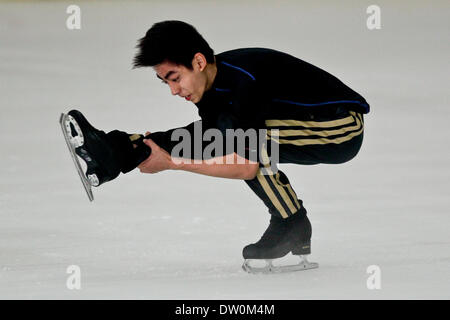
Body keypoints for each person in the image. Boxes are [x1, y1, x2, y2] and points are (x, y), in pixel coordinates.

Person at [63, 20, 369, 273]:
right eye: (165, 83)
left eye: (175, 78)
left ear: (198, 61)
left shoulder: (243, 81)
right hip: (302, 121)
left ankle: (291, 222)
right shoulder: (213, 89)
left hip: (339, 128)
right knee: (205, 138)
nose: (173, 91)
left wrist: (171, 163)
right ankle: (112, 152)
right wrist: (148, 150)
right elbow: (205, 141)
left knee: (248, 144)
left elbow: (245, 165)